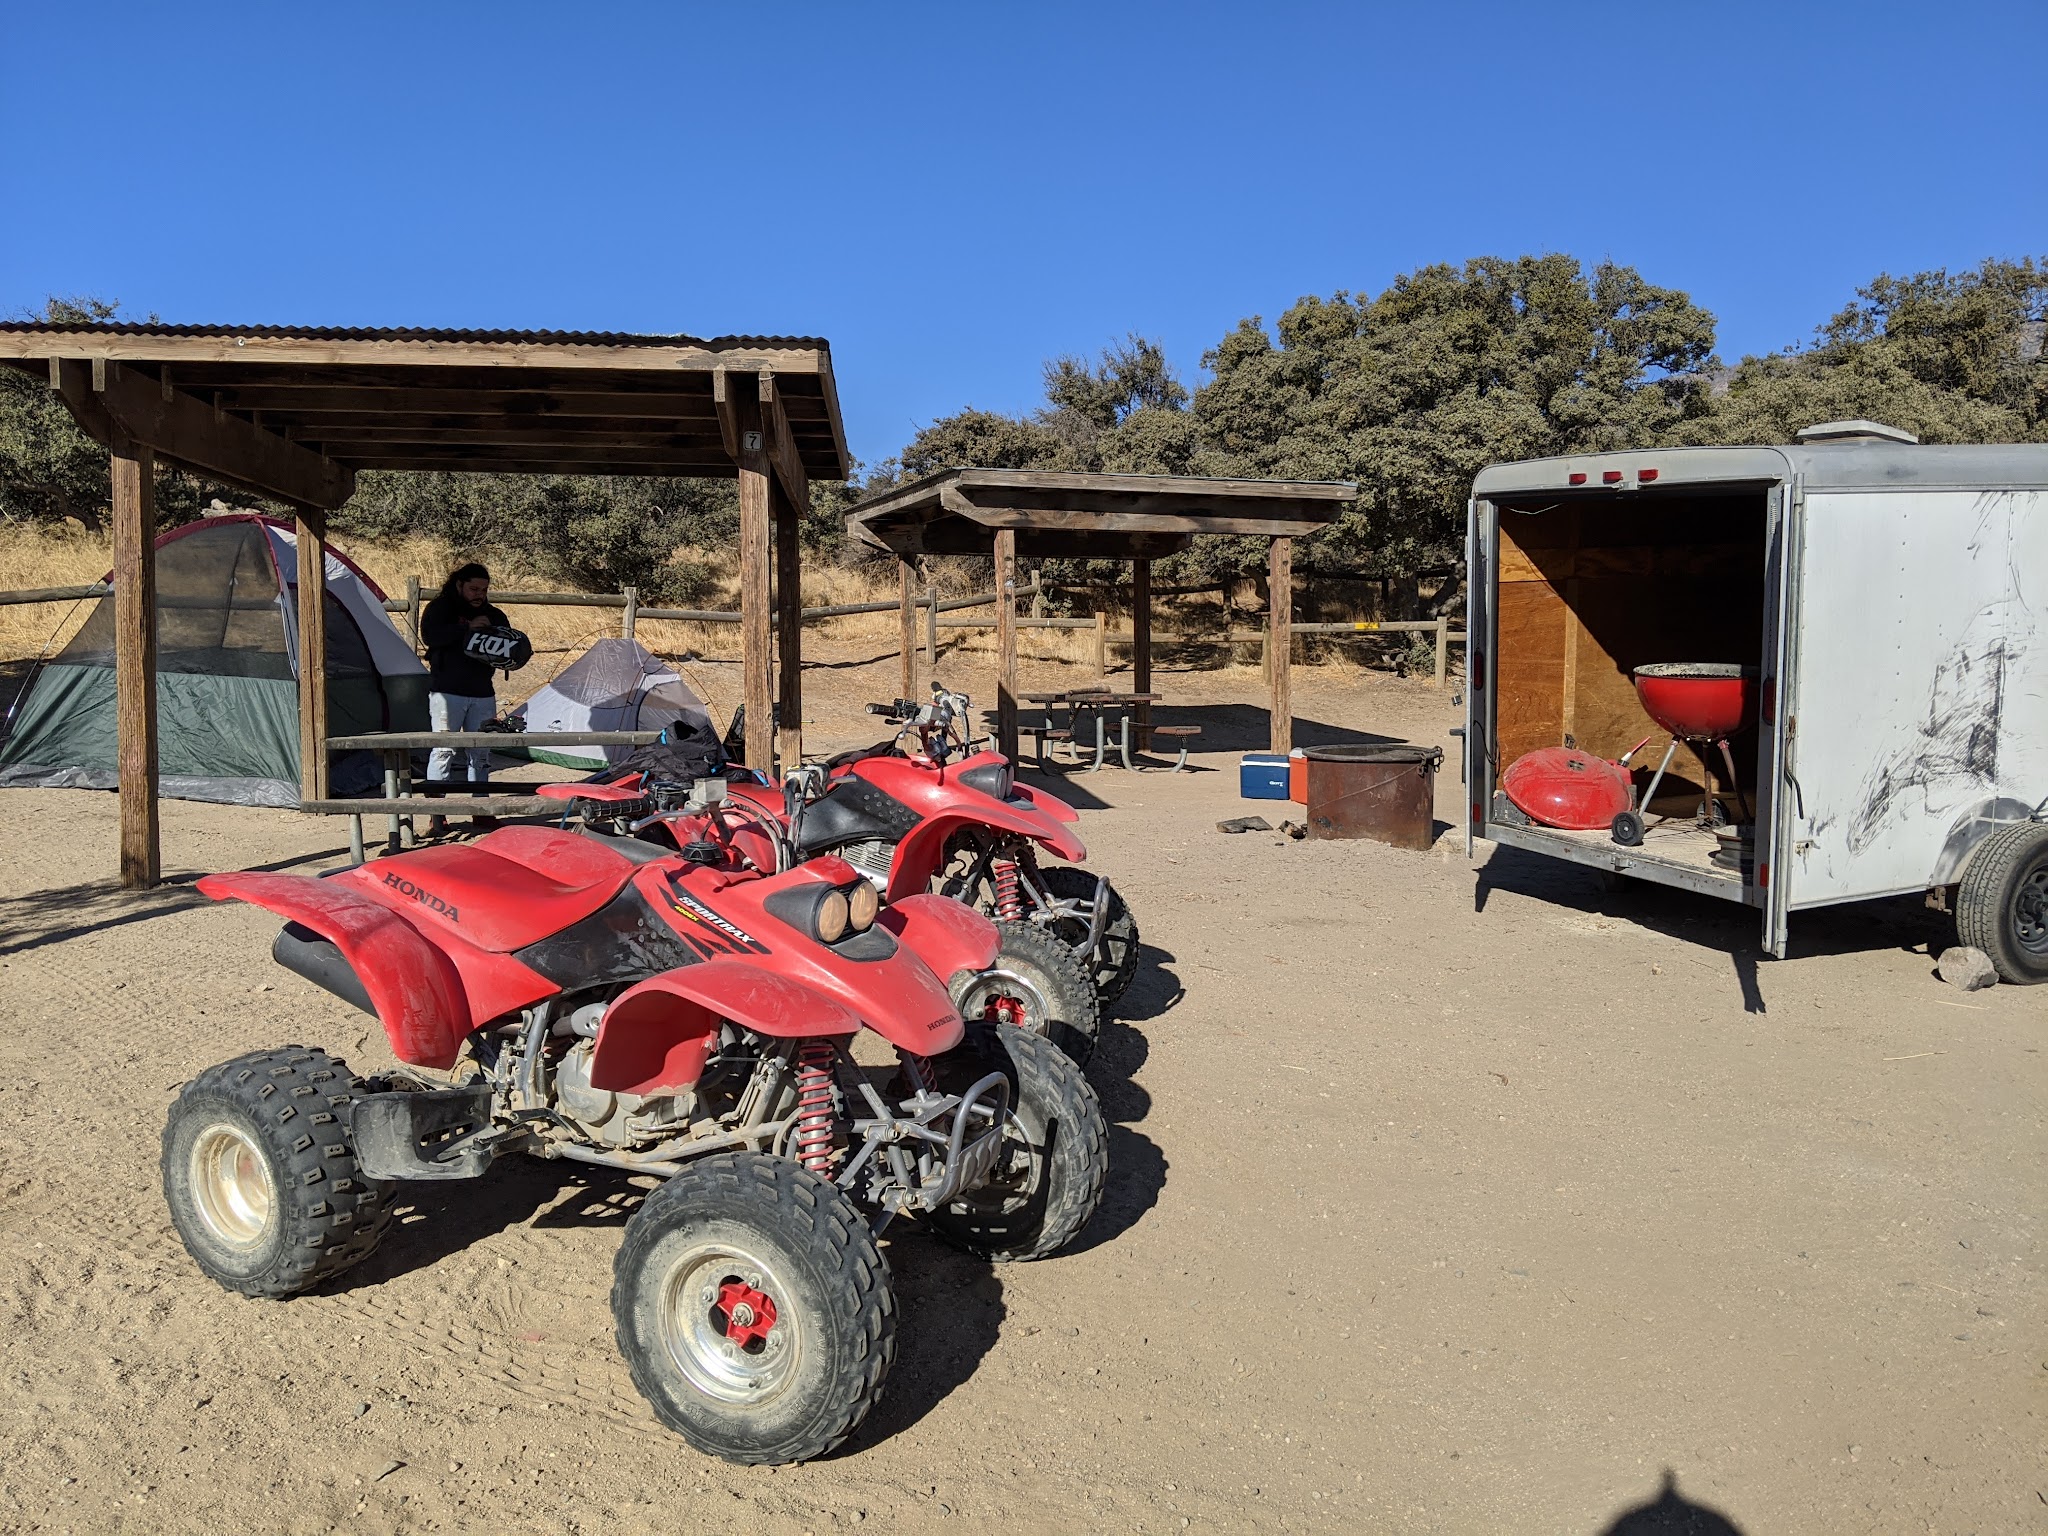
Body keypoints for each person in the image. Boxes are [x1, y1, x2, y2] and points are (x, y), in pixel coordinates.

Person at [419, 562, 510, 833]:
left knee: (480, 753)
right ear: (459, 585)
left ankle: (480, 810)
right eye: (473, 588)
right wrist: (468, 628)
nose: (479, 594)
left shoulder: (495, 614)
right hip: (447, 692)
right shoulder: (440, 608)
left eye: (483, 589)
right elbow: (430, 636)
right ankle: (437, 813)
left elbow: (509, 646)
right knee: (443, 750)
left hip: (482, 692)